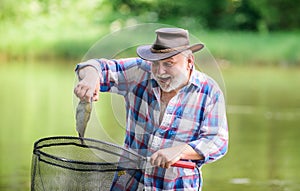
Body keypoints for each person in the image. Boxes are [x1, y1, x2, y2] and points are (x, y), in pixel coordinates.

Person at [74, 28, 228, 191]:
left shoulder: (209, 91)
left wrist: (181, 151)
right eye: (155, 63)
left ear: (189, 61)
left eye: (169, 63)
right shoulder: (140, 71)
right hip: (128, 184)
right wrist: (91, 79)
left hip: (176, 186)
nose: (160, 72)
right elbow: (92, 66)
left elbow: (218, 141)